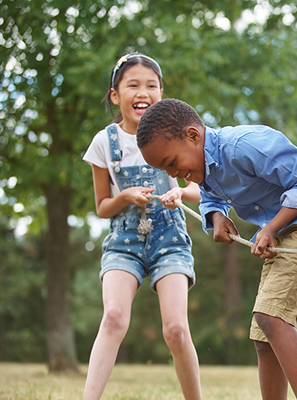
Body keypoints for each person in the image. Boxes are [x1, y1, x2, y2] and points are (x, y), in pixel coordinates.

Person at [136, 98, 297, 400]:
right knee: (264, 338)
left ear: (193, 136)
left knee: (272, 318)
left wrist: (271, 227)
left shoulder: (243, 146)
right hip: (285, 233)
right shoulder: (206, 169)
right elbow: (212, 196)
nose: (174, 175)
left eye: (172, 163)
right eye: (164, 170)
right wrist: (217, 217)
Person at [82, 53, 202, 400]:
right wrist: (127, 197)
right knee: (115, 317)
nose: (143, 92)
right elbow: (103, 207)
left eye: (151, 85)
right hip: (124, 240)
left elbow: (198, 188)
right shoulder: (104, 142)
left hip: (170, 239)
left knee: (177, 329)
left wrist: (180, 191)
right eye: (132, 85)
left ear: (161, 93)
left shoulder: (180, 135)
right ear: (116, 94)